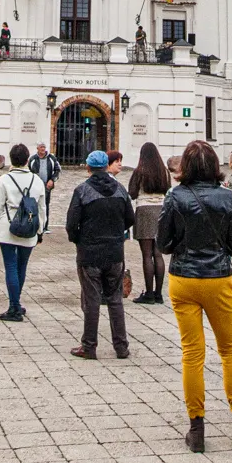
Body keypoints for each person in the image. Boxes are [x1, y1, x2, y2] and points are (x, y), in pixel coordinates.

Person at [157, 140, 232, 452]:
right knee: (230, 352)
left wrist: (184, 245)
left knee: (192, 353)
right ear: (214, 166)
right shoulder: (227, 197)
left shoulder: (175, 196)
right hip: (217, 279)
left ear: (184, 167)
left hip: (183, 280)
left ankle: (196, 429)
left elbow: (163, 242)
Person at [65, 149, 134, 358]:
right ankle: (121, 347)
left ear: (88, 167)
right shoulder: (120, 190)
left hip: (90, 253)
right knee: (115, 299)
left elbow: (71, 224)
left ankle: (89, 346)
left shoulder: (82, 191)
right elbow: (130, 218)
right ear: (106, 166)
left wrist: (80, 240)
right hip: (114, 253)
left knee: (92, 299)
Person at [0, 143, 45, 321]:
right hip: (30, 228)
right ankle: (16, 304)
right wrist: (40, 231)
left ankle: (14, 307)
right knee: (21, 266)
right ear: (27, 160)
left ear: (11, 159)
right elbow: (42, 209)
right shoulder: (37, 181)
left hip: (7, 228)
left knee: (11, 267)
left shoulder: (5, 180)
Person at [127, 142, 169, 305]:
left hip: (144, 210)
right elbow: (168, 190)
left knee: (146, 255)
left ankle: (149, 293)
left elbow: (132, 193)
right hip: (160, 210)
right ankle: (159, 294)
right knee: (158, 254)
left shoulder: (139, 171)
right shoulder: (163, 172)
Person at [30, 143, 61, 237]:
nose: (43, 149)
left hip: (47, 185)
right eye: (41, 147)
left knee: (45, 205)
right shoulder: (33, 159)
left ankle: (45, 226)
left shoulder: (51, 158)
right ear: (37, 148)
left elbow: (57, 170)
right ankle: (34, 225)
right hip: (36, 185)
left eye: (44, 147)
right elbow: (29, 171)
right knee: (34, 204)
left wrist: (52, 180)